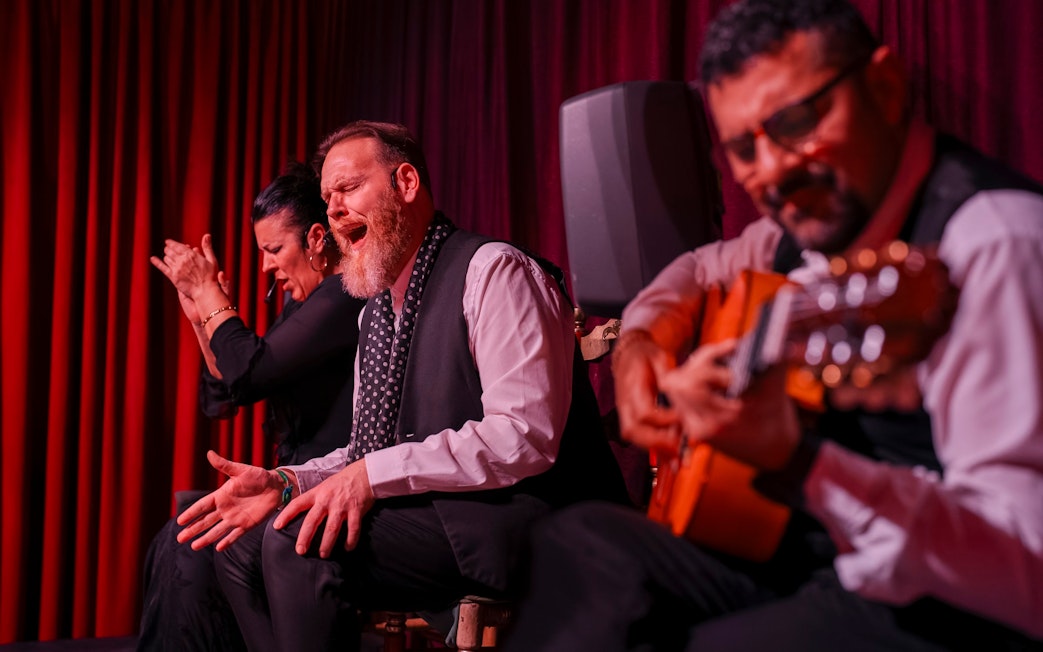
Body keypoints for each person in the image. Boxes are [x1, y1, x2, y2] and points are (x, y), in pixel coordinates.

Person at [502, 0, 1043, 649]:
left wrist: (799, 460)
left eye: (795, 123)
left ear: (884, 85)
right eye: (741, 148)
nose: (773, 171)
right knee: (581, 544)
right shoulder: (810, 230)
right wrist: (642, 339)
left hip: (944, 602)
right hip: (818, 554)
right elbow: (699, 269)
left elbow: (1027, 575)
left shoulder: (993, 245)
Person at [174, 121, 627, 651]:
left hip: (533, 519)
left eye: (348, 189)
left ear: (406, 184)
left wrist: (369, 476)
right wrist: (289, 480)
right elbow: (370, 449)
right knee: (237, 547)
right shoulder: (377, 314)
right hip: (440, 516)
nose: (334, 210)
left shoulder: (495, 271)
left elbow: (522, 435)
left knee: (297, 544)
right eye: (327, 198)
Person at [139, 164, 366, 651]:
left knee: (190, 546)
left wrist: (209, 291)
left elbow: (251, 370)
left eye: (273, 250)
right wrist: (203, 318)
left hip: (331, 491)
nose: (266, 266)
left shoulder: (344, 296)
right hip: (291, 489)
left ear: (317, 238)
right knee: (182, 532)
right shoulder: (302, 307)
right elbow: (227, 394)